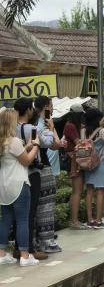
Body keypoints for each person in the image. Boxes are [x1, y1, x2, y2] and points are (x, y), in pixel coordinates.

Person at [0, 109, 41, 266]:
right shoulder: (14, 141)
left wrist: (28, 145)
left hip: (4, 186)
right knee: (23, 219)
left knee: (5, 220)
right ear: (10, 122)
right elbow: (26, 161)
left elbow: (17, 155)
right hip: (19, 184)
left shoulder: (2, 142)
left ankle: (2, 254)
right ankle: (25, 256)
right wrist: (36, 146)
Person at [13, 98, 48, 260]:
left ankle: (16, 248)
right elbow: (40, 147)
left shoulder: (10, 129)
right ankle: (29, 249)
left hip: (14, 173)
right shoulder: (32, 129)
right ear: (28, 110)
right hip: (32, 172)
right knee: (30, 212)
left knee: (15, 213)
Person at [34, 96, 61, 253]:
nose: (51, 108)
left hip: (32, 167)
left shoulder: (30, 122)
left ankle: (36, 241)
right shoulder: (43, 123)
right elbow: (55, 144)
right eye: (50, 106)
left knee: (35, 206)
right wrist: (51, 129)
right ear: (45, 107)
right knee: (46, 205)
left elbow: (56, 145)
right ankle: (47, 241)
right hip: (43, 166)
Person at [84, 108, 104, 229]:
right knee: (100, 191)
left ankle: (90, 220)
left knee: (90, 191)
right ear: (98, 119)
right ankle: (98, 220)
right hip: (100, 163)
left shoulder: (84, 131)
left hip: (88, 164)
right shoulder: (102, 131)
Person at [63, 103, 86, 230]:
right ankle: (74, 220)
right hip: (74, 161)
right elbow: (79, 143)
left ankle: (73, 220)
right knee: (77, 191)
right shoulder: (71, 126)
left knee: (75, 191)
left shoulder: (68, 125)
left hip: (73, 160)